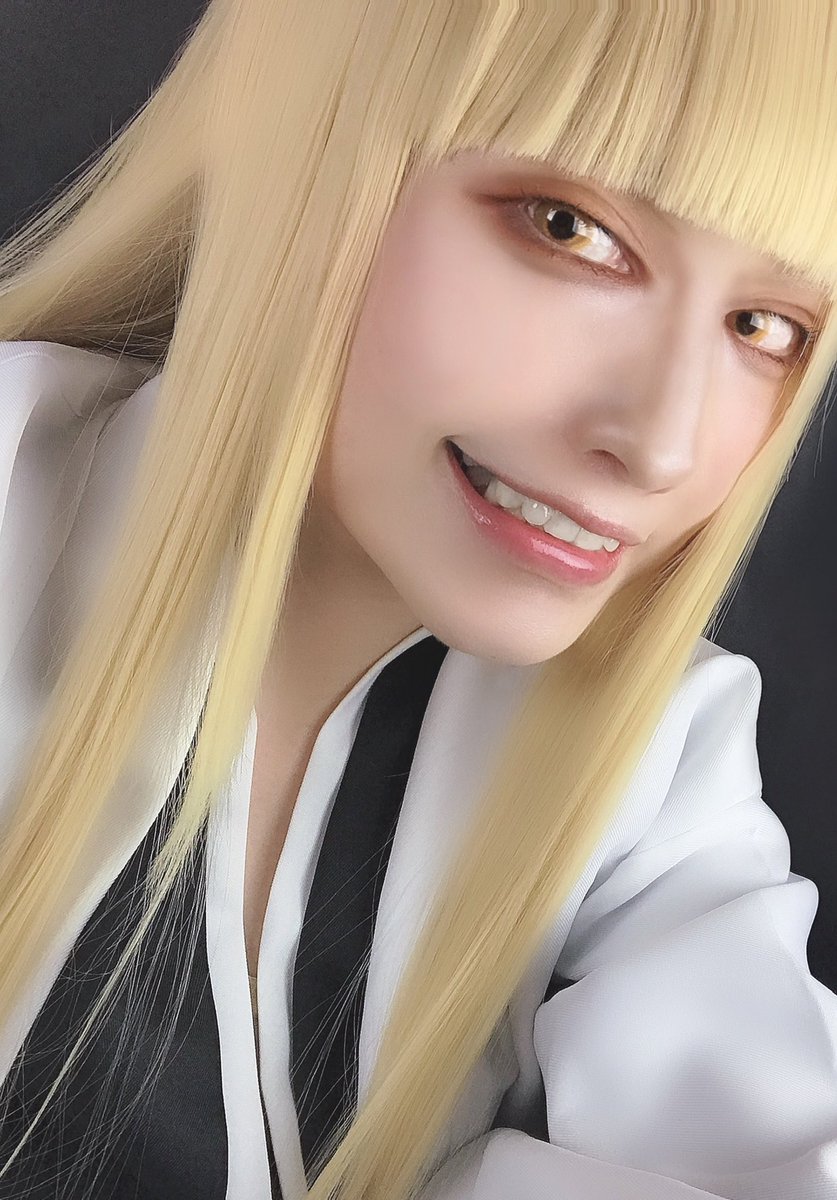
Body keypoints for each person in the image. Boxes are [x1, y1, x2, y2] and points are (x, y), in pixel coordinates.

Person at [0, 1, 836, 1197]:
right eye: (570, 228)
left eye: (766, 326)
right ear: (311, 145)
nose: (661, 443)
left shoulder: (656, 758)